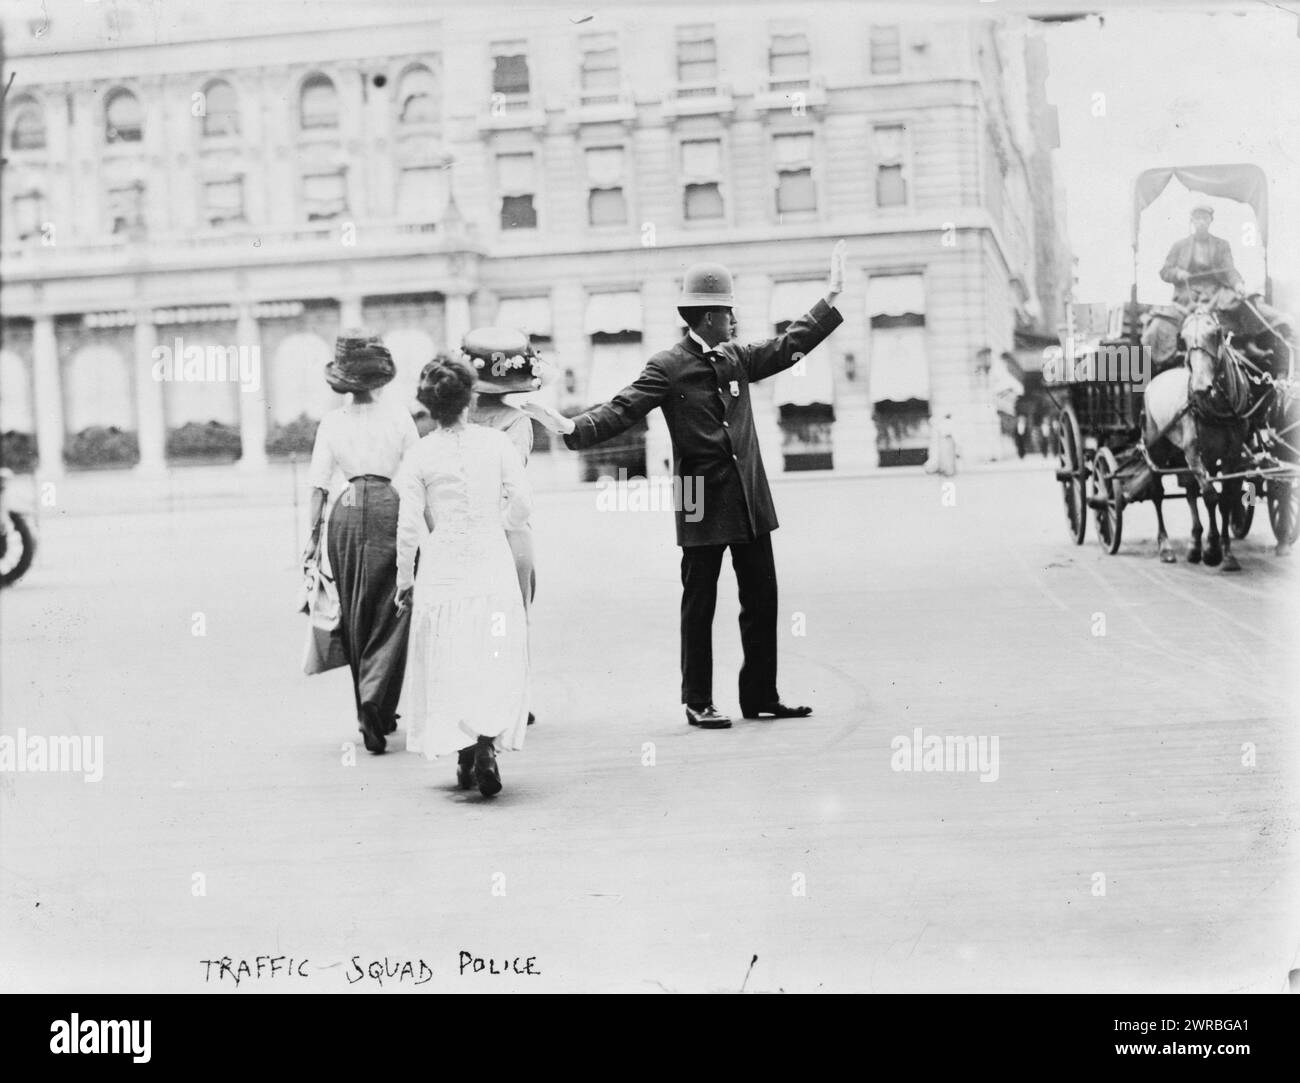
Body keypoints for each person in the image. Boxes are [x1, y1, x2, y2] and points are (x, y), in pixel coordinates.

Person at [526, 241, 846, 730]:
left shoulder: (736, 357)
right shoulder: (667, 365)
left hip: (749, 496)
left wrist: (830, 300)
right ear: (706, 316)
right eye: (728, 312)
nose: (735, 320)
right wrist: (574, 428)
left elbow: (786, 348)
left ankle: (760, 694)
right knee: (700, 602)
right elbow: (623, 407)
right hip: (698, 497)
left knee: (762, 600)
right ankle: (698, 700)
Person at [394, 356, 532, 797]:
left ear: (429, 407)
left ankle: (464, 749)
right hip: (490, 560)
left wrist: (404, 580)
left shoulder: (419, 453)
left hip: (444, 566)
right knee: (491, 649)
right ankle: (487, 741)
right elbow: (522, 504)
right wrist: (499, 522)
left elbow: (409, 527)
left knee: (451, 652)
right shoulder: (495, 443)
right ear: (470, 397)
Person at [304, 331, 419, 754]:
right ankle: (379, 702)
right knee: (394, 607)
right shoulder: (399, 417)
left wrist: (311, 538)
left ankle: (366, 706)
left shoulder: (333, 422)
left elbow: (317, 485)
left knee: (355, 608)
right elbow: (417, 471)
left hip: (346, 512)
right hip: (390, 505)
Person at [1159, 203, 1243, 307]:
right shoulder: (1179, 245)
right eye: (1198, 218)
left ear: (1210, 221)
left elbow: (1229, 269)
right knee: (1162, 321)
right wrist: (1178, 273)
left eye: (1205, 218)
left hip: (1216, 293)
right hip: (1187, 292)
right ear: (1192, 221)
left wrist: (1237, 284)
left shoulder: (1222, 245)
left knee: (1242, 307)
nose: (1202, 222)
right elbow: (1165, 271)